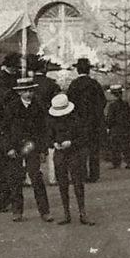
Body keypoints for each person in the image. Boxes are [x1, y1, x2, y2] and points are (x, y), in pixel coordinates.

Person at [3, 75, 54, 223]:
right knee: (16, 178)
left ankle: (45, 211)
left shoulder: (38, 106)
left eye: (30, 90)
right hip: (16, 146)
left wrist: (43, 150)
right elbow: (5, 130)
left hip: (33, 146)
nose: (28, 94)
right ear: (19, 92)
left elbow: (44, 130)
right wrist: (9, 148)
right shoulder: (11, 107)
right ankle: (17, 211)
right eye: (25, 91)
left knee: (36, 177)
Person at [48, 93, 94, 225]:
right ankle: (66, 214)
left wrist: (71, 142)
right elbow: (49, 136)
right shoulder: (52, 120)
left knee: (78, 183)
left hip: (75, 153)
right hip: (60, 154)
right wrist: (54, 144)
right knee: (62, 184)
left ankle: (82, 213)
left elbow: (84, 137)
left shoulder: (76, 119)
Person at [66, 58, 106, 182]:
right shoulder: (95, 84)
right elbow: (102, 101)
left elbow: (69, 103)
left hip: (79, 123)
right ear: (89, 70)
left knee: (80, 150)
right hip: (94, 122)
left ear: (78, 70)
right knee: (94, 150)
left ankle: (82, 174)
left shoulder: (74, 85)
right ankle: (94, 175)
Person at [105, 84, 130, 169]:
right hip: (126, 126)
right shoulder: (125, 104)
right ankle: (129, 162)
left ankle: (116, 163)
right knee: (126, 144)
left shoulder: (112, 105)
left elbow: (110, 118)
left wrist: (108, 126)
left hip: (116, 128)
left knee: (115, 145)